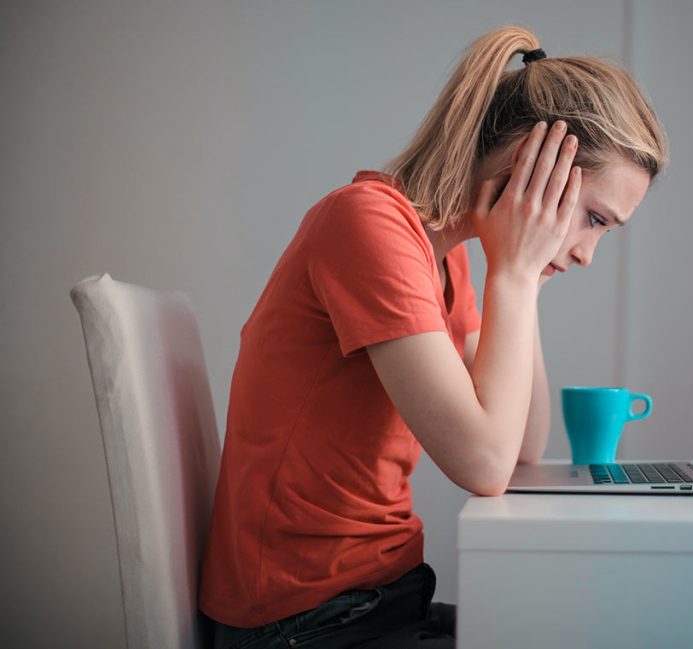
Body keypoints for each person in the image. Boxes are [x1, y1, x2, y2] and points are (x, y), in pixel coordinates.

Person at [199, 25, 668, 649]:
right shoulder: (368, 226)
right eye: (594, 219)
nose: (589, 253)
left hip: (376, 599)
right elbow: (484, 465)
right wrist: (516, 274)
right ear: (534, 168)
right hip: (303, 621)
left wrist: (523, 275)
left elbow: (522, 443)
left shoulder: (444, 258)